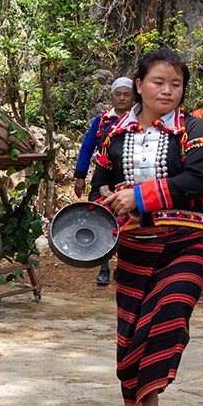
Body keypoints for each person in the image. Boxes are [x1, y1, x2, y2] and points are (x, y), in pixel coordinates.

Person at [92, 49, 203, 406]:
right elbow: (100, 186)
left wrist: (139, 197)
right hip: (135, 246)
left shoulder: (194, 131)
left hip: (187, 240)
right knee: (131, 334)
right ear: (139, 85)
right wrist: (108, 197)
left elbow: (197, 180)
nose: (168, 90)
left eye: (176, 84)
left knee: (170, 311)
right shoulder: (113, 136)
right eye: (159, 82)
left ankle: (153, 385)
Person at [73, 76, 136, 285]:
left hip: (130, 174)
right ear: (112, 96)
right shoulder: (101, 121)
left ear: (134, 97)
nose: (122, 98)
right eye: (118, 94)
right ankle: (103, 266)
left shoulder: (140, 119)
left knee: (129, 218)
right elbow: (87, 147)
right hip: (104, 172)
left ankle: (127, 267)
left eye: (126, 95)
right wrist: (80, 176)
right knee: (101, 214)